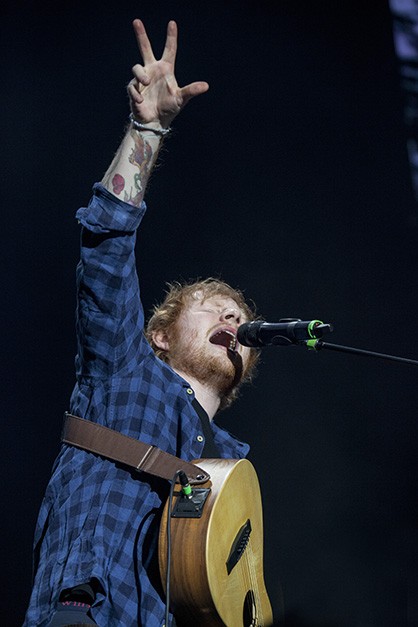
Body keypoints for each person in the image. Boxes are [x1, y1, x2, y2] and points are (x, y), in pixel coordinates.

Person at [23, 19, 259, 627]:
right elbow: (106, 241)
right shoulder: (123, 369)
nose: (233, 314)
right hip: (89, 611)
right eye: (211, 304)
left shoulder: (234, 469)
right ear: (159, 337)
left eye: (239, 313)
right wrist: (147, 129)